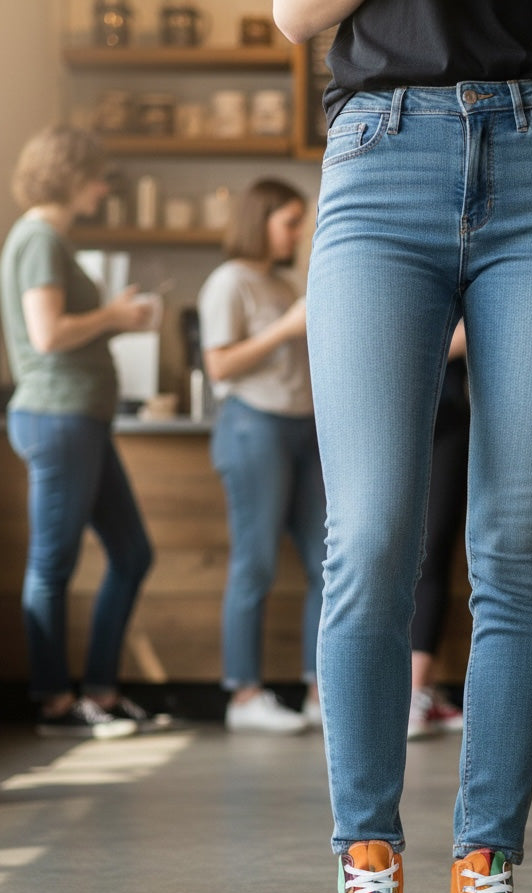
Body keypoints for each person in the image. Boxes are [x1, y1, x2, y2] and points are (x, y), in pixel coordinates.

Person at [274, 0, 532, 893]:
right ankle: (367, 876)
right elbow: (293, 15)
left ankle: (484, 881)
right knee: (370, 535)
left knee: (518, 545)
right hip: (379, 154)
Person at [0, 124, 159, 738]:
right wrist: (116, 315)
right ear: (71, 175)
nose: (102, 187)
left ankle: (98, 692)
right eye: (96, 175)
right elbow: (48, 335)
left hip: (77, 418)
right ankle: (54, 704)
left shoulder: (48, 239)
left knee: (131, 553)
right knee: (52, 563)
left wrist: (113, 321)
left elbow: (63, 328)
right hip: (57, 415)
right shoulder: (40, 238)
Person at [198, 179, 326, 735]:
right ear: (260, 220)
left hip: (302, 427)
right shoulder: (229, 282)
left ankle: (324, 693)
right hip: (254, 426)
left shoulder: (282, 282)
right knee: (256, 563)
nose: (298, 233)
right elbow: (220, 366)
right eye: (290, 222)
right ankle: (244, 695)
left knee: (330, 564)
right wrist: (286, 326)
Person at [408, 324, 469, 740]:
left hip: (444, 413)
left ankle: (420, 689)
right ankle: (411, 695)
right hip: (429, 415)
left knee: (432, 551)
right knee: (425, 553)